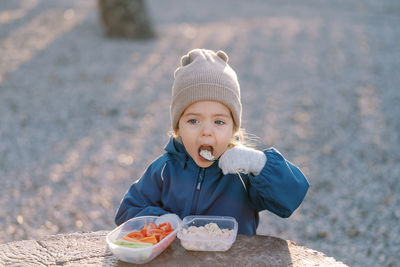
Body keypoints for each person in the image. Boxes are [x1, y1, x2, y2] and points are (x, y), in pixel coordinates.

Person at [115, 48, 309, 234]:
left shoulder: (243, 173)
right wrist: (161, 221)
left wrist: (260, 164)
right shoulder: (164, 170)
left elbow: (291, 198)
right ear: (178, 127)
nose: (206, 132)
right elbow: (127, 212)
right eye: (193, 121)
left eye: (219, 121)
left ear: (233, 128)